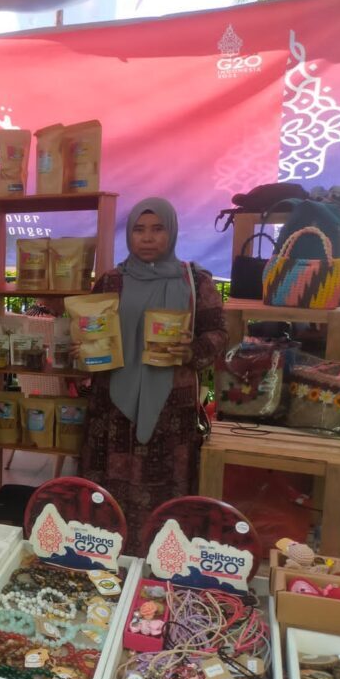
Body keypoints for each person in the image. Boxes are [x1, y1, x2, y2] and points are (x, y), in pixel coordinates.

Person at [79, 197, 227, 553]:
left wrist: (192, 351)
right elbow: (93, 329)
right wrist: (83, 347)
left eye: (157, 229)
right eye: (139, 230)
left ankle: (162, 561)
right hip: (111, 407)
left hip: (170, 410)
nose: (147, 238)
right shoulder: (111, 281)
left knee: (167, 491)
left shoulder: (196, 282)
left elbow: (218, 333)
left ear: (172, 232)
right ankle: (105, 556)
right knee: (107, 493)